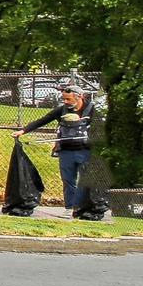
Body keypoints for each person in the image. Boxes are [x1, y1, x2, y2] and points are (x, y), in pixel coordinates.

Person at [16, 80, 103, 218]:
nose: (65, 102)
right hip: (66, 151)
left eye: (68, 99)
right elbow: (43, 120)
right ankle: (69, 208)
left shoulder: (92, 110)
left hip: (86, 151)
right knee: (68, 180)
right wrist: (23, 131)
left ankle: (88, 208)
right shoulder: (61, 110)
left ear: (79, 97)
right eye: (63, 99)